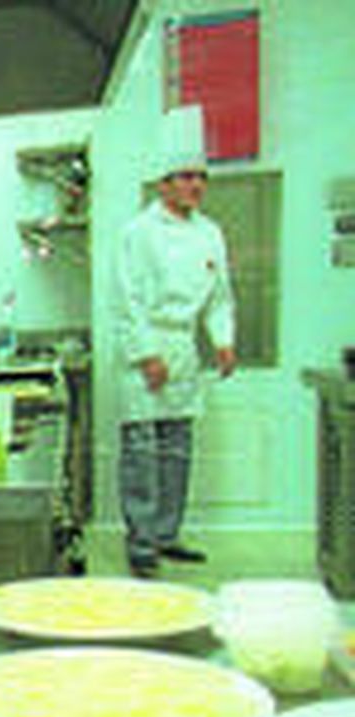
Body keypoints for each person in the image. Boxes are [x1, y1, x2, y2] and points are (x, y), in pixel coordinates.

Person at [113, 104, 236, 577]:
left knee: (177, 448)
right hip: (146, 350)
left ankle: (167, 533)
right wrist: (145, 355)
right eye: (185, 177)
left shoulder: (211, 233)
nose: (195, 186)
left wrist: (222, 340)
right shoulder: (138, 233)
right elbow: (127, 301)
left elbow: (221, 295)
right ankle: (141, 540)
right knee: (142, 452)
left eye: (200, 177)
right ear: (163, 183)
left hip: (184, 349)